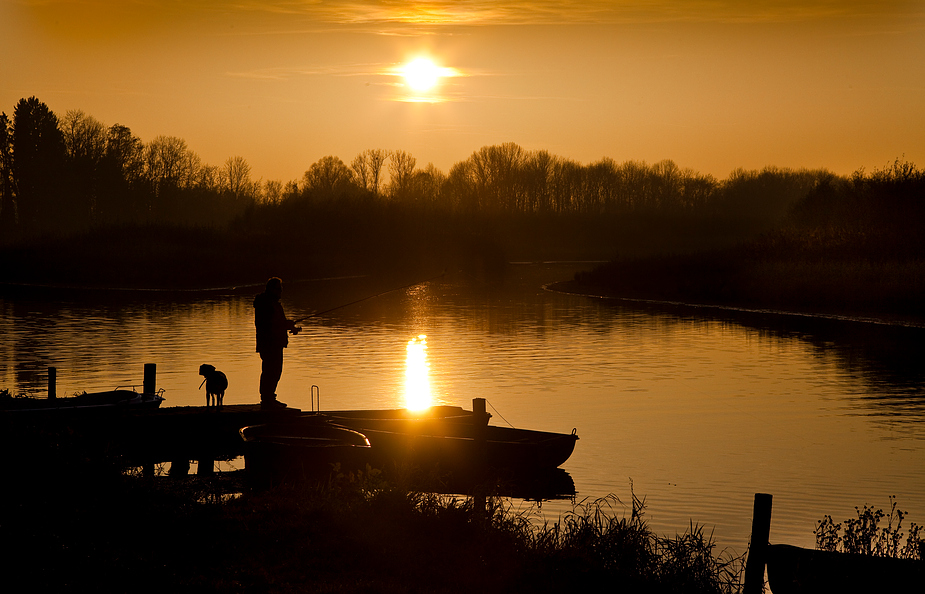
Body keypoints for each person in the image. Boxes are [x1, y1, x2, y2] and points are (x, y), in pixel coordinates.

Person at [254, 277, 301, 408]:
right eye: (279, 289)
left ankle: (269, 398)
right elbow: (271, 324)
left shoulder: (271, 303)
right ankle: (267, 399)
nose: (281, 292)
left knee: (274, 371)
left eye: (281, 289)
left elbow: (278, 323)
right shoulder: (267, 304)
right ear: (272, 289)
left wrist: (291, 327)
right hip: (270, 343)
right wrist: (288, 324)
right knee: (271, 371)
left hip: (274, 342)